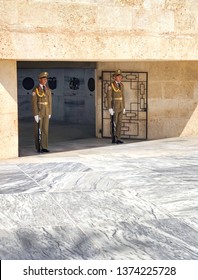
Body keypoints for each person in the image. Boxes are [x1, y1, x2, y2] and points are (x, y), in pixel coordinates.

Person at [32, 72, 52, 153]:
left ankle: (44, 146)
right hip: (39, 112)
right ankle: (38, 147)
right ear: (40, 80)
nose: (45, 81)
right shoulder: (36, 90)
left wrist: (50, 112)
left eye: (46, 79)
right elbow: (34, 103)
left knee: (45, 130)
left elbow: (50, 101)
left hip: (46, 112)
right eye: (44, 79)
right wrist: (35, 114)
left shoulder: (48, 89)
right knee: (38, 130)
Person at [107, 69, 125, 144]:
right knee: (114, 122)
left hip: (121, 105)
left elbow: (123, 96)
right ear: (114, 77)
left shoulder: (122, 85)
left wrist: (124, 107)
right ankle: (113, 137)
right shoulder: (111, 86)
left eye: (120, 76)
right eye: (118, 76)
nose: (120, 78)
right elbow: (108, 97)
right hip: (115, 105)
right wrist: (109, 107)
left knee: (119, 122)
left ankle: (118, 138)